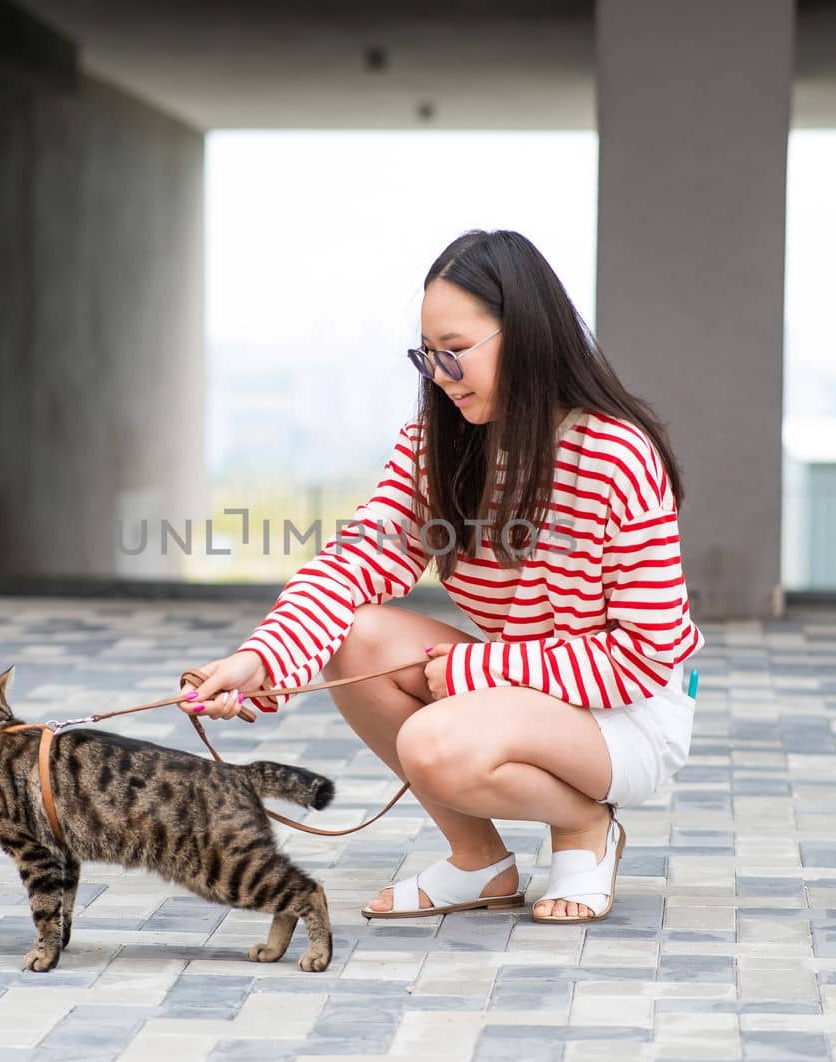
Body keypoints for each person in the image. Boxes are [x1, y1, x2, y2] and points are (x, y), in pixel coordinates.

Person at [178, 229, 704, 924]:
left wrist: (477, 672)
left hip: (629, 714)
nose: (440, 376)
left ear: (525, 336)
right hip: (515, 686)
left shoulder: (615, 454)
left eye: (455, 354)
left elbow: (644, 655)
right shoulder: (440, 445)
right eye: (428, 358)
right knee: (354, 635)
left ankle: (584, 829)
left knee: (434, 743)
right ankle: (479, 863)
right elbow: (356, 559)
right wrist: (259, 658)